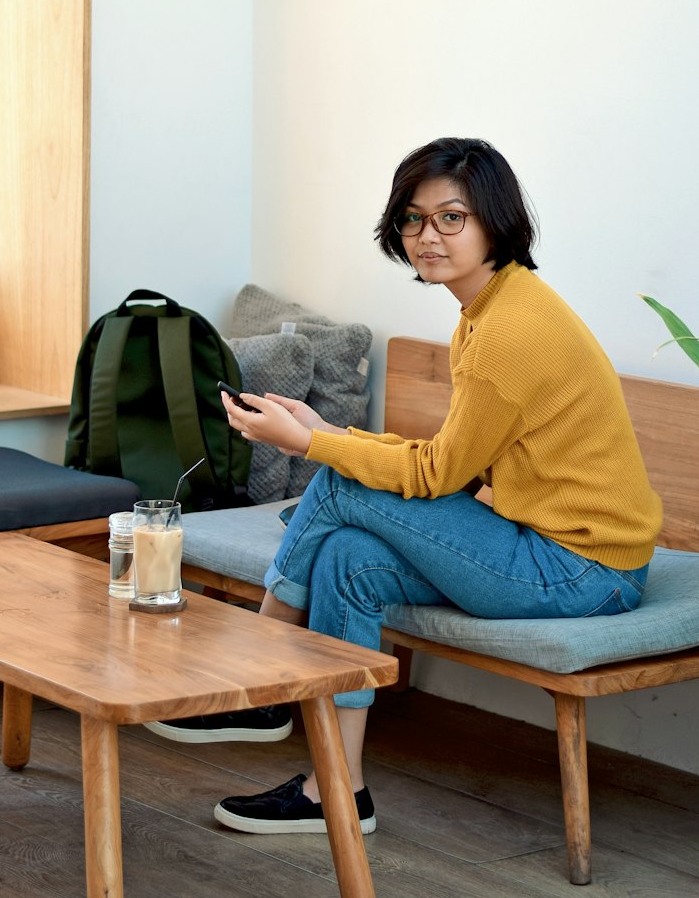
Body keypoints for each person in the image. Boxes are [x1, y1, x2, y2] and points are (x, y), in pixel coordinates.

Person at [152, 136, 663, 836]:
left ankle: (256, 683)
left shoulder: (507, 330)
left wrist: (315, 443)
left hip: (583, 571)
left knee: (336, 488)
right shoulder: (490, 310)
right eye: (414, 219)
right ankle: (337, 788)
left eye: (452, 217)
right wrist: (327, 432)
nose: (429, 236)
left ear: (496, 220)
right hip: (539, 545)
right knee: (346, 560)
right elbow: (449, 459)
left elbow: (433, 476)